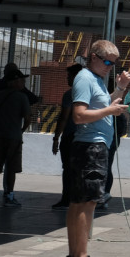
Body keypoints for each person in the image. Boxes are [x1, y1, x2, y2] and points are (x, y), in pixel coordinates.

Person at [67, 40, 130, 257]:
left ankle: (76, 253)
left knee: (80, 201)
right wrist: (109, 112)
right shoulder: (86, 78)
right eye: (107, 62)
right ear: (93, 57)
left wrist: (120, 89)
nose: (110, 67)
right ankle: (81, 253)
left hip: (93, 145)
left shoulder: (96, 79)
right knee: (88, 202)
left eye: (113, 63)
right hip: (91, 146)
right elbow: (79, 115)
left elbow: (103, 106)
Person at [0, 67, 31, 207]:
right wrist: (21, 130)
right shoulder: (22, 97)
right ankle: (9, 195)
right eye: (21, 80)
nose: (23, 82)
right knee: (11, 167)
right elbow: (27, 119)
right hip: (14, 137)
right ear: (14, 81)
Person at [50, 64, 84, 210]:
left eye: (69, 76)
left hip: (71, 137)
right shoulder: (91, 92)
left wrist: (56, 138)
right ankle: (80, 199)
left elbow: (63, 118)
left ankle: (67, 199)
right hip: (86, 137)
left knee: (68, 169)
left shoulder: (70, 94)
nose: (67, 79)